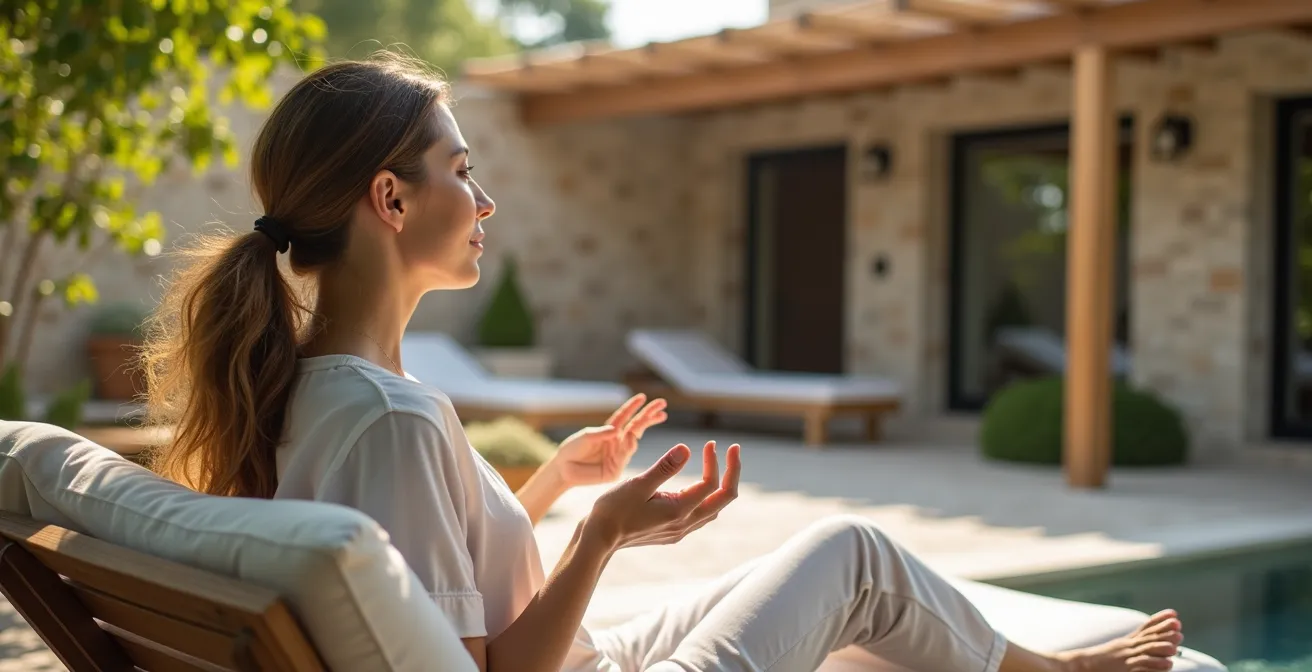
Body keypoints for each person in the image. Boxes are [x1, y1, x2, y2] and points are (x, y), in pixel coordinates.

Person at [141, 53, 1185, 672]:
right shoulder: (391, 418)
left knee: (844, 608)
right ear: (391, 199)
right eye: (463, 169)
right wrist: (598, 536)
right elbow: (489, 667)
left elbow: (423, 583)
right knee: (852, 555)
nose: (486, 200)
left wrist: (551, 484)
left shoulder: (326, 392)